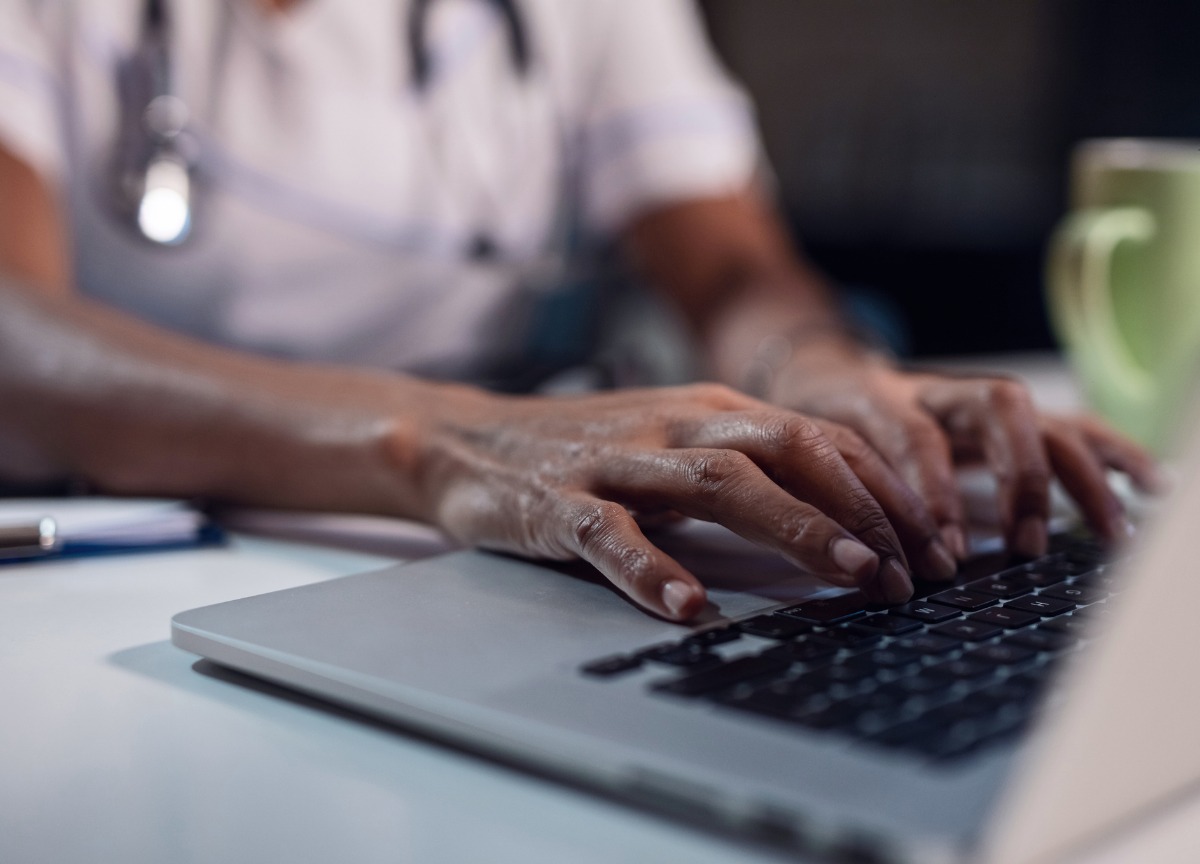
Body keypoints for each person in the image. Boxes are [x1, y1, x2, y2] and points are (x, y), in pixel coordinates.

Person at [0, 0, 1158, 621]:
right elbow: (17, 335)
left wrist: (814, 367)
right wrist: (436, 440)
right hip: (146, 553)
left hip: (483, 527)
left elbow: (728, 272)